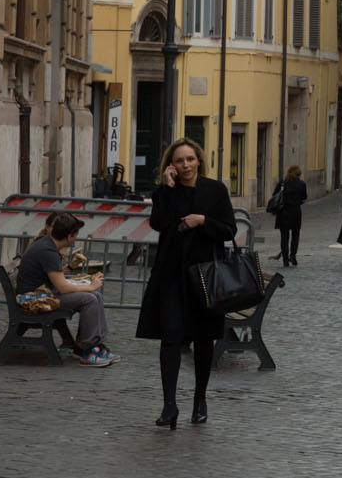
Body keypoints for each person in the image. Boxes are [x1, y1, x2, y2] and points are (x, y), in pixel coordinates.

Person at [135, 137, 238, 427]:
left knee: (204, 339)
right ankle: (169, 405)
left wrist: (202, 220)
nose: (186, 165)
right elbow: (158, 223)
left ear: (199, 161)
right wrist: (167, 189)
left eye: (190, 159)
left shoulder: (215, 190)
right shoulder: (165, 191)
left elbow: (229, 229)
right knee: (170, 338)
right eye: (179, 160)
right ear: (171, 165)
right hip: (171, 275)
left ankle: (200, 399)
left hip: (205, 276)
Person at [16, 211, 114, 366]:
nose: (76, 238)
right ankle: (88, 349)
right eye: (76, 235)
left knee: (95, 295)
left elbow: (57, 279)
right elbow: (62, 288)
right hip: (34, 298)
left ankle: (90, 345)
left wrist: (87, 286)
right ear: (69, 236)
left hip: (40, 292)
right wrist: (89, 287)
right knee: (89, 299)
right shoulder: (48, 251)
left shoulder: (48, 246)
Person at [270, 165, 307, 267]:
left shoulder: (282, 183)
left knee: (284, 236)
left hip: (283, 212)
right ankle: (293, 256)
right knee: (295, 235)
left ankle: (285, 260)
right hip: (296, 212)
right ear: (299, 174)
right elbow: (304, 198)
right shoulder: (302, 184)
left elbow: (274, 195)